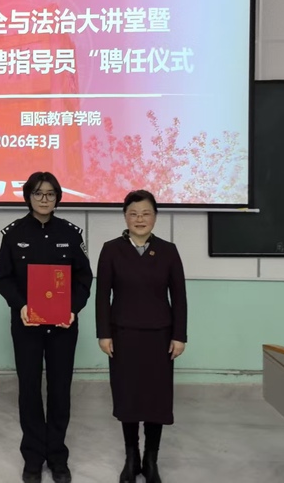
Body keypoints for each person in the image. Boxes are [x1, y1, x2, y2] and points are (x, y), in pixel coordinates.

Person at [0, 172, 93, 483]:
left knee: (60, 390)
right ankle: (33, 457)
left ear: (57, 198)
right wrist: (20, 305)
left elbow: (84, 278)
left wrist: (73, 308)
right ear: (28, 197)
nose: (44, 199)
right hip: (27, 325)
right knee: (29, 390)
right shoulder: (13, 234)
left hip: (63, 325)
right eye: (38, 193)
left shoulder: (71, 234)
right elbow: (3, 279)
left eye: (50, 194)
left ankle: (58, 457)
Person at [95, 190, 187, 483]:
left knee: (155, 400)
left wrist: (179, 335)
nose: (140, 219)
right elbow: (102, 296)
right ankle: (131, 457)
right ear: (125, 217)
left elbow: (179, 297)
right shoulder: (111, 250)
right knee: (128, 398)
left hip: (160, 337)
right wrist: (104, 334)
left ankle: (151, 459)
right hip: (123, 335)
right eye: (133, 213)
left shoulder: (168, 251)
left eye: (146, 213)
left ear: (155, 217)